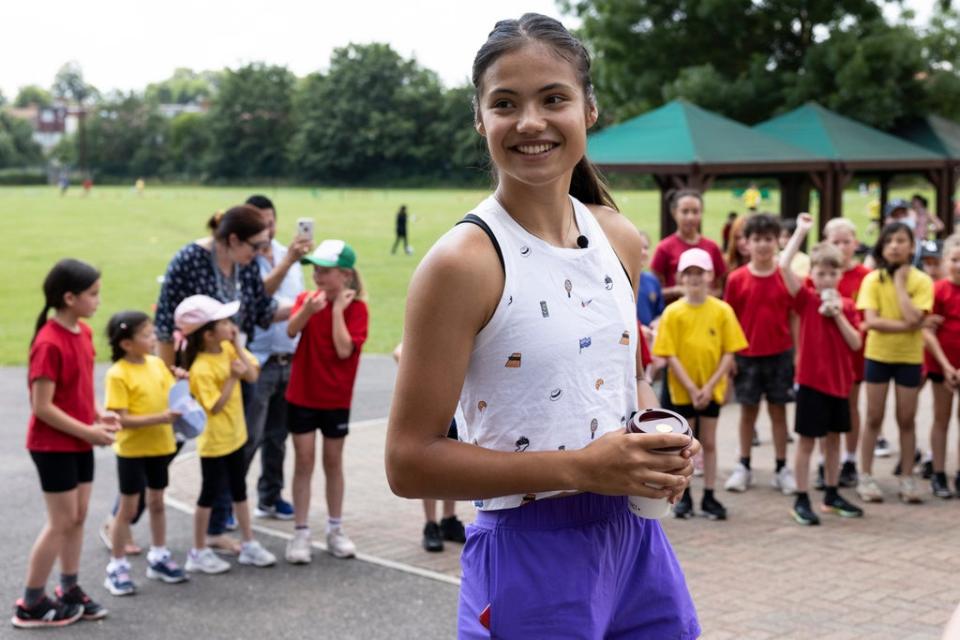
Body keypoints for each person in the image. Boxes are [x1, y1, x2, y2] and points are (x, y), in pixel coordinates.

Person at [385, 14, 700, 638]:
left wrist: (656, 444)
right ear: (481, 119)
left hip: (637, 542)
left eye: (553, 98)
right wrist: (581, 468)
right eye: (506, 103)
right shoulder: (462, 264)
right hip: (527, 557)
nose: (530, 121)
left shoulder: (618, 237)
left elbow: (623, 377)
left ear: (589, 108)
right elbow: (408, 463)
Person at [154, 205, 282, 554]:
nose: (259, 254)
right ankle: (126, 514)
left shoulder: (246, 267)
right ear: (232, 239)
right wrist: (169, 383)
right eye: (254, 246)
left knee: (233, 451)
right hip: (189, 373)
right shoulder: (189, 260)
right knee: (165, 447)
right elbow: (164, 325)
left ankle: (216, 528)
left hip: (233, 367)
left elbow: (261, 310)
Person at [14, 259, 115, 629]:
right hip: (52, 444)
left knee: (78, 517)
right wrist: (88, 431)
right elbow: (42, 408)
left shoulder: (83, 334)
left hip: (78, 440)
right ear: (69, 298)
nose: (98, 301)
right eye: (92, 294)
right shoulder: (48, 343)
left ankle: (69, 590)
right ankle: (31, 602)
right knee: (60, 522)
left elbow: (78, 392)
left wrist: (98, 415)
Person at [176, 295, 277, 573]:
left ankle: (249, 543)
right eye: (224, 323)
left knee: (240, 491)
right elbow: (214, 407)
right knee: (208, 495)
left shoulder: (227, 349)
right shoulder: (200, 368)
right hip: (215, 443)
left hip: (236, 436)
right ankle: (197, 551)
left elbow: (253, 376)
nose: (230, 326)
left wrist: (236, 347)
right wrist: (232, 377)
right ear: (208, 334)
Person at [283, 240, 369, 564]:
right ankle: (301, 532)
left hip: (335, 398)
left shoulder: (357, 309)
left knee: (333, 463)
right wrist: (308, 309)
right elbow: (292, 330)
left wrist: (335, 311)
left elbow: (344, 349)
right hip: (302, 395)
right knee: (303, 462)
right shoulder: (306, 300)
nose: (317, 276)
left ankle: (335, 529)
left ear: (345, 276)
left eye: (325, 271)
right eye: (315, 270)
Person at [780, 215, 864, 525]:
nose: (826, 278)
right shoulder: (806, 299)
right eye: (821, 273)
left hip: (840, 384)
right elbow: (785, 266)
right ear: (812, 274)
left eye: (832, 273)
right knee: (806, 441)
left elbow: (856, 344)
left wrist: (839, 314)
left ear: (840, 275)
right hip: (812, 383)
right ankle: (801, 497)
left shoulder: (848, 306)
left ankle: (831, 492)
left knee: (833, 440)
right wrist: (801, 230)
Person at [654, 248, 747, 521]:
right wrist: (693, 389)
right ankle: (685, 495)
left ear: (710, 276)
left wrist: (709, 387)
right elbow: (669, 354)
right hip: (683, 390)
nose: (694, 279)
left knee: (708, 441)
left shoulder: (722, 310)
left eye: (700, 273)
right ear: (681, 277)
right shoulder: (673, 313)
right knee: (685, 446)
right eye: (689, 273)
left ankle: (709, 494)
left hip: (711, 390)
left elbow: (729, 351)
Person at [102, 312, 187, 596]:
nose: (154, 339)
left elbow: (172, 398)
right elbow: (121, 419)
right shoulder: (117, 374)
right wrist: (161, 417)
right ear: (126, 344)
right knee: (127, 509)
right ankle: (117, 566)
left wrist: (181, 382)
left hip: (160, 446)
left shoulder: (157, 365)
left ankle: (159, 556)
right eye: (147, 335)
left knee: (158, 502)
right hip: (132, 451)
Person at [242, 195, 311, 521]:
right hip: (258, 360)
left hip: (290, 358)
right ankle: (229, 501)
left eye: (270, 221)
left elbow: (297, 297)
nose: (267, 228)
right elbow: (260, 301)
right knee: (248, 436)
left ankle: (270, 496)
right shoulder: (245, 260)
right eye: (260, 222)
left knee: (277, 437)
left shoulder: (289, 253)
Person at [856, 222, 934, 504]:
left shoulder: (921, 281)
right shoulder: (872, 280)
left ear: (911, 246)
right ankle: (865, 474)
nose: (894, 246)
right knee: (873, 417)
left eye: (901, 240)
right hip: (878, 355)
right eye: (889, 241)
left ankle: (907, 477)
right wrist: (911, 324)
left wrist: (901, 285)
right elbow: (871, 321)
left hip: (909, 358)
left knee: (906, 419)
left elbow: (917, 317)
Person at [723, 213, 798, 495]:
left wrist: (797, 354)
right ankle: (744, 465)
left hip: (780, 354)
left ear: (777, 241)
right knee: (747, 413)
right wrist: (730, 356)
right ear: (746, 243)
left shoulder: (785, 276)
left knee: (779, 412)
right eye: (757, 239)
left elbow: (794, 316)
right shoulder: (737, 279)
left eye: (768, 239)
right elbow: (729, 320)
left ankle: (781, 467)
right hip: (747, 357)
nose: (763, 245)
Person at [392, 343, 467, 552]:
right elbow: (399, 352)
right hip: (433, 409)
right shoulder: (434, 327)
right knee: (431, 469)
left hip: (457, 409)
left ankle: (449, 519)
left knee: (453, 467)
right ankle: (431, 523)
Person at [821, 217, 872, 487]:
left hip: (852, 351)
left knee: (851, 406)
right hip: (823, 354)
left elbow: (867, 315)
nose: (841, 246)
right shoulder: (819, 273)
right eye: (835, 241)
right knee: (822, 411)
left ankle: (850, 459)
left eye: (846, 241)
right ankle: (824, 461)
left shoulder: (865, 276)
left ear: (855, 242)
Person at [922, 233, 960, 498]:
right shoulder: (937, 290)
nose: (958, 265)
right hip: (941, 365)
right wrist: (947, 366)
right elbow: (926, 330)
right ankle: (938, 472)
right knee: (941, 418)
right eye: (954, 259)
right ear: (945, 261)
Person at [651, 189, 727, 302]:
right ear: (674, 212)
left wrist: (704, 294)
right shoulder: (664, 248)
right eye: (685, 211)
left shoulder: (712, 247)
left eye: (695, 211)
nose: (690, 217)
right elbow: (653, 290)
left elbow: (721, 288)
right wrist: (678, 290)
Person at [635, 229, 664, 340]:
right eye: (638, 247)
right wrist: (639, 329)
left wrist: (657, 322)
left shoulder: (652, 281)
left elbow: (659, 312)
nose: (643, 252)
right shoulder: (618, 282)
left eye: (646, 248)